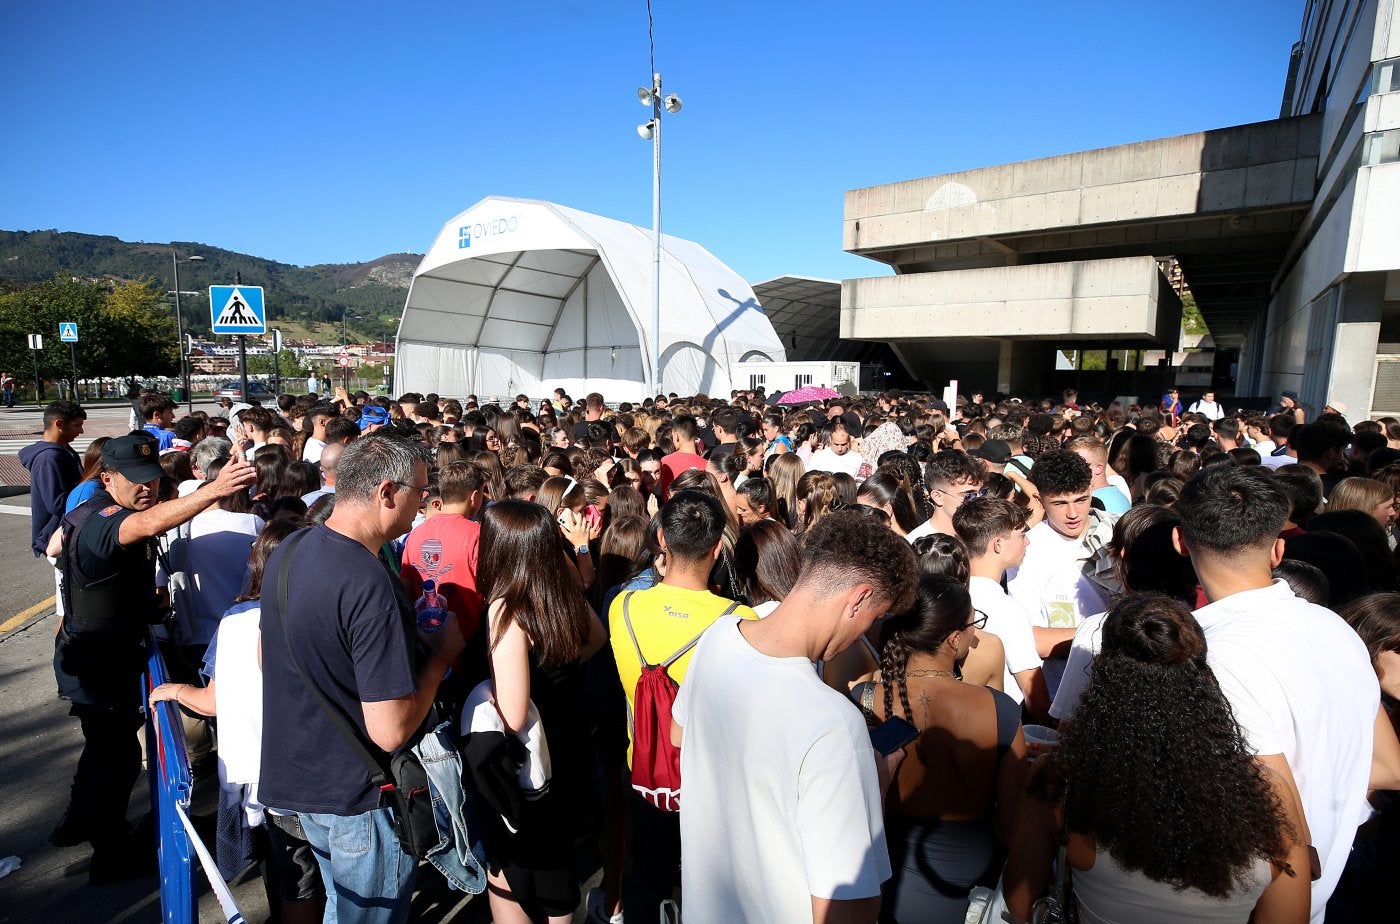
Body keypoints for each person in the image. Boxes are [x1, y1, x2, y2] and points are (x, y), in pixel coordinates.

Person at [672, 509, 919, 923]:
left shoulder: (718, 636)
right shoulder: (835, 724)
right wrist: (871, 781)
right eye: (874, 618)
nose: (864, 632)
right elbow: (847, 906)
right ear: (857, 599)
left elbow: (681, 735)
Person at [259, 432, 465, 924]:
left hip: (296, 779)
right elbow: (390, 730)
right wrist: (439, 657)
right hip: (359, 797)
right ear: (386, 492)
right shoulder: (368, 582)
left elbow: (268, 658)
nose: (421, 507)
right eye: (419, 492)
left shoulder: (290, 549)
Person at [1176, 465, 1394, 922]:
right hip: (1324, 895)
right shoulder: (1336, 628)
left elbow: (1269, 819)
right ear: (1278, 549)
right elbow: (1387, 765)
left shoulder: (1209, 657)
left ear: (1180, 542)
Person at [1012, 592, 1307, 923]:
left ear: (1101, 679)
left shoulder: (1059, 779)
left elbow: (1021, 903)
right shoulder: (1270, 792)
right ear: (1205, 679)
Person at [51, 433, 257, 882]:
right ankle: (108, 853)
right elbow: (140, 529)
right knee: (116, 757)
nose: (148, 489)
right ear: (107, 479)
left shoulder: (114, 511)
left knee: (109, 751)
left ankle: (88, 824)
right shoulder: (107, 517)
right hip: (98, 662)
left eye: (154, 480)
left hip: (113, 652)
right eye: (136, 481)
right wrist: (214, 492)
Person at [607, 490, 757, 924]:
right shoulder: (740, 619)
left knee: (648, 884)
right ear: (716, 548)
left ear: (660, 539)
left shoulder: (625, 605)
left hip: (645, 774)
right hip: (710, 785)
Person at [850, 576, 1028, 924]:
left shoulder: (865, 701)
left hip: (887, 880)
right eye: (972, 624)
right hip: (971, 892)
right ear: (953, 637)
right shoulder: (1000, 710)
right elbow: (1013, 826)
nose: (975, 634)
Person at [473, 500, 606, 924]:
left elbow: (512, 715)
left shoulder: (505, 608)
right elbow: (597, 639)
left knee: (512, 880)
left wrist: (483, 696)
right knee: (558, 876)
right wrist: (559, 670)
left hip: (530, 764)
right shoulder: (560, 588)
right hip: (568, 744)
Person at [1006, 450, 1119, 697]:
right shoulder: (1028, 550)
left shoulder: (1116, 533)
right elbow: (1034, 640)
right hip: (1065, 692)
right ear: (1039, 499)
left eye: (1081, 500)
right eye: (1059, 503)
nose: (1072, 513)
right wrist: (1115, 632)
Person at [954, 496, 1050, 716]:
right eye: (1022, 535)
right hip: (1006, 721)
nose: (1027, 542)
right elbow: (1032, 690)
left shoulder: (954, 593)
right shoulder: (1005, 609)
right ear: (998, 544)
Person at [20, 399, 86, 558]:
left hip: (68, 529)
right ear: (60, 424)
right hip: (58, 534)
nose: (81, 431)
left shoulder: (64, 450)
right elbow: (57, 504)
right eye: (77, 425)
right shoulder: (48, 458)